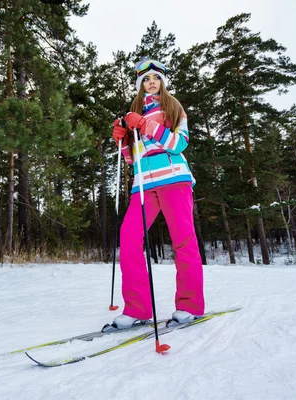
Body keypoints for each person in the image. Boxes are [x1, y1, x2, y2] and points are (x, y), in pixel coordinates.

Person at [110, 58, 205, 329]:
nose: (151, 83)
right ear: (140, 84)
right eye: (146, 79)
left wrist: (146, 125)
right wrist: (122, 139)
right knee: (128, 237)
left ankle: (190, 306)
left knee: (183, 241)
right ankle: (137, 309)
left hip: (174, 179)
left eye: (156, 78)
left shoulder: (172, 108)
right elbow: (132, 159)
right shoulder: (134, 113)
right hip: (143, 185)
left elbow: (178, 143)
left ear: (162, 82)